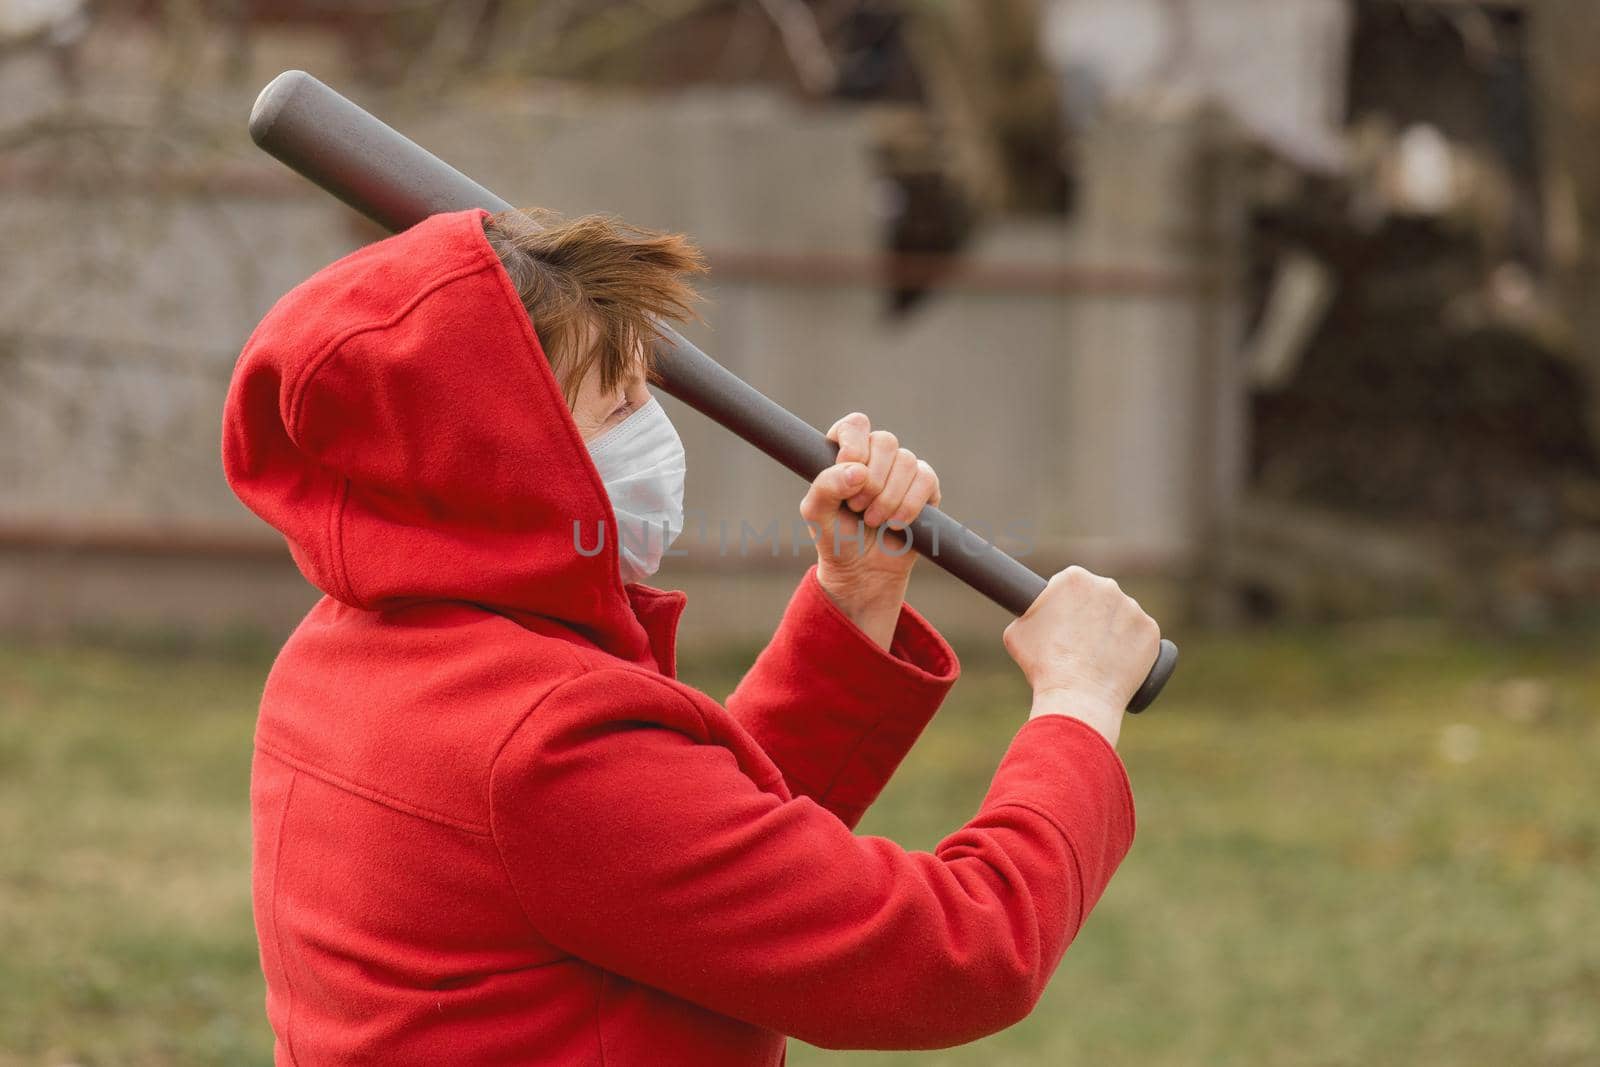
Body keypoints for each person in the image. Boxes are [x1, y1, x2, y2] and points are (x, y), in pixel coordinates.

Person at [222, 205, 1159, 1066]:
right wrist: (1076, 708)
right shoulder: (540, 740)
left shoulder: (344, 652)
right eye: (619, 407)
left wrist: (853, 599)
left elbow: (678, 861)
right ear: (497, 463)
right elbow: (952, 953)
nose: (655, 431)